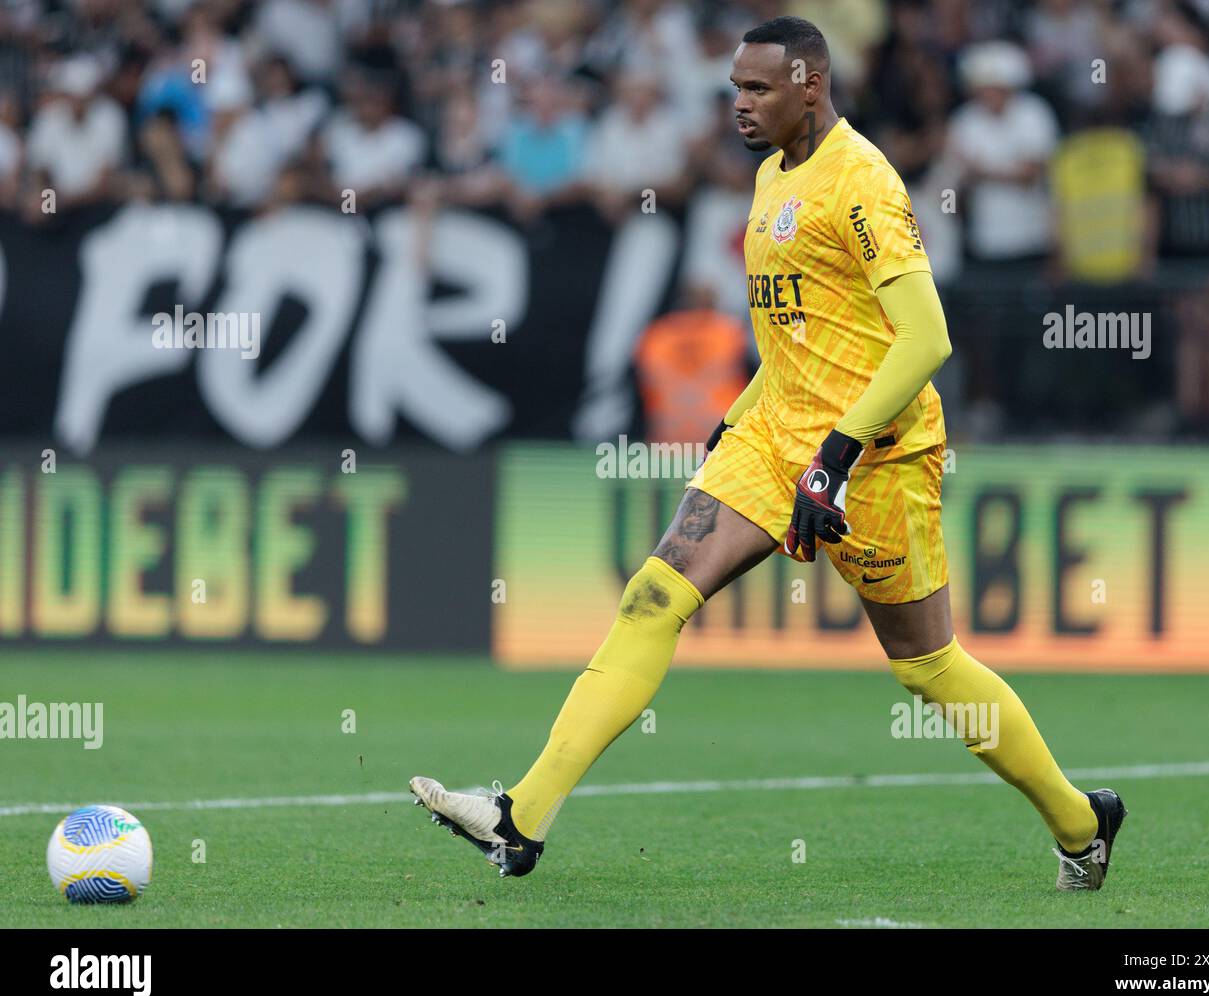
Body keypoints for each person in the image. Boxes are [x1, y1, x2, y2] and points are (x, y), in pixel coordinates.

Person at [411, 16, 1127, 892]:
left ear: (810, 85)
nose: (741, 106)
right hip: (775, 434)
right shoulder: (765, 178)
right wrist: (735, 417)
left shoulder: (861, 180)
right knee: (652, 596)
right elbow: (798, 334)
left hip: (879, 453)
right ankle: (521, 818)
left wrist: (836, 451)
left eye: (758, 90)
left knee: (929, 668)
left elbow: (925, 338)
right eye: (734, 90)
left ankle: (1082, 823)